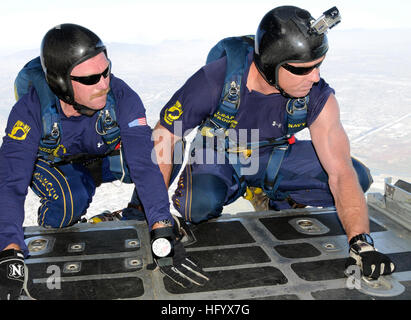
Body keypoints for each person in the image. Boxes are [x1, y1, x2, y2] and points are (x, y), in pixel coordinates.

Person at [152, 6, 395, 280]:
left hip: (270, 156)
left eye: (318, 66)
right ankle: (231, 189)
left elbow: (340, 173)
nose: (315, 77)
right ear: (271, 63)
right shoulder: (215, 80)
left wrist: (361, 243)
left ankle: (273, 197)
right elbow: (164, 138)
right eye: (302, 70)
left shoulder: (317, 96)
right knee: (198, 207)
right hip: (218, 153)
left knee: (358, 176)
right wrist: (158, 218)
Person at [0, 24, 208, 300]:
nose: (103, 84)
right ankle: (56, 237)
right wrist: (9, 251)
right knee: (68, 201)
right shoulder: (29, 110)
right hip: (60, 166)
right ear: (61, 82)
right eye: (89, 79)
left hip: (104, 157)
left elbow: (144, 165)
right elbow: (10, 183)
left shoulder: (122, 97)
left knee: (167, 148)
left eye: (106, 71)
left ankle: (136, 215)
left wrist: (161, 228)